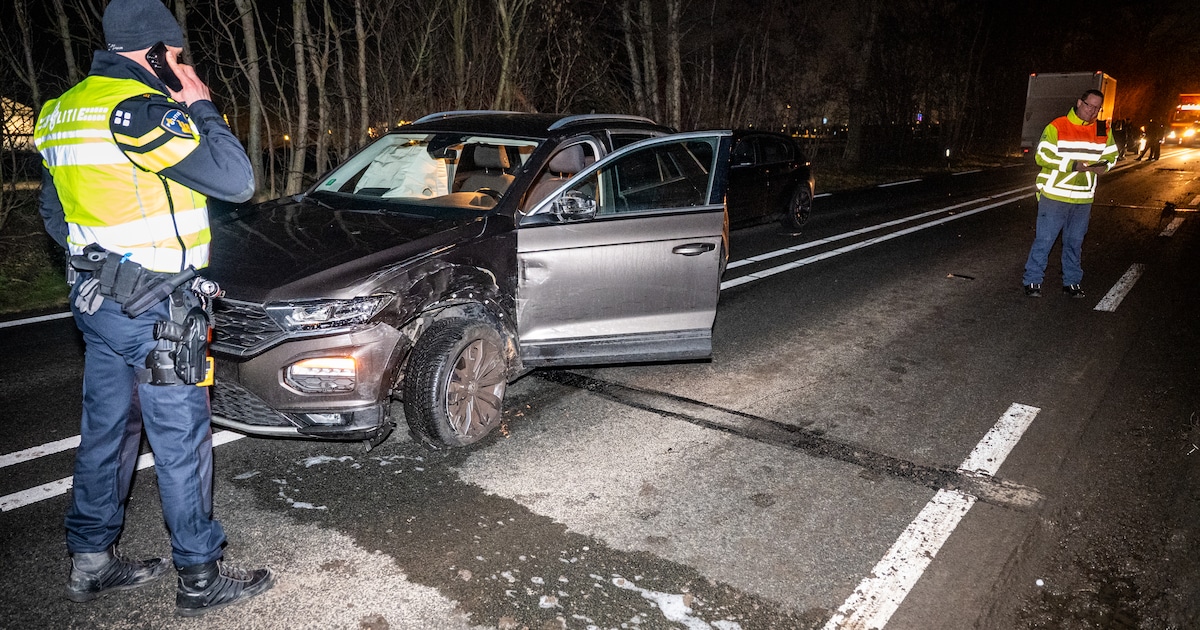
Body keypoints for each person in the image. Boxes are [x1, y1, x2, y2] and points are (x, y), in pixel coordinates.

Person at [33, 0, 274, 617]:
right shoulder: (141, 112)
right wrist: (200, 105)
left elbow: (54, 214)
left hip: (99, 301)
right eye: (177, 54)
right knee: (181, 439)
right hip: (158, 307)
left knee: (107, 431)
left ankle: (91, 561)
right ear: (156, 52)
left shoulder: (60, 112)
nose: (182, 62)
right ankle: (199, 574)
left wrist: (102, 263)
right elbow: (237, 180)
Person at [1021, 89, 1117, 298]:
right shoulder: (1058, 125)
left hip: (1083, 197)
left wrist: (1105, 166)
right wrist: (1073, 165)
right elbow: (1042, 156)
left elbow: (1113, 155)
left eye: (1097, 108)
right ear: (1079, 103)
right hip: (1055, 195)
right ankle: (1032, 280)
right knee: (1045, 240)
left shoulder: (1103, 129)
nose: (1093, 112)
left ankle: (1072, 282)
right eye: (1089, 106)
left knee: (1075, 242)